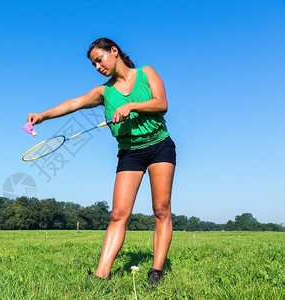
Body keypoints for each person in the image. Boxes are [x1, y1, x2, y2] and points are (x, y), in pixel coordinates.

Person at [27, 37, 176, 286]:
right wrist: (43, 115)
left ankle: (157, 271)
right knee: (118, 214)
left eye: (100, 59)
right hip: (130, 152)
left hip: (159, 145)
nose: (98, 66)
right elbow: (74, 103)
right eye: (94, 64)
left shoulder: (146, 72)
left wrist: (132, 107)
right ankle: (101, 274)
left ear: (114, 52)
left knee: (161, 210)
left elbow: (162, 104)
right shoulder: (104, 91)